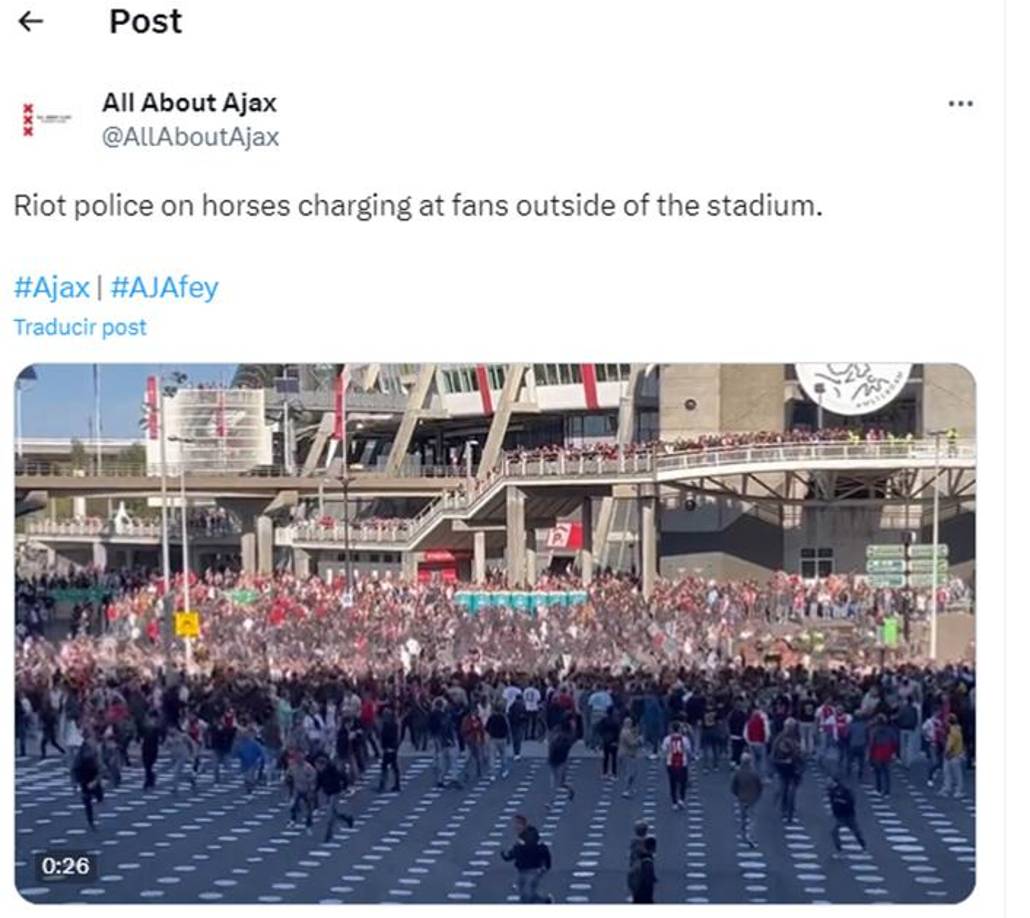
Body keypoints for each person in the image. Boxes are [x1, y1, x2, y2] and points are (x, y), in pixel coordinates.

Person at [500, 814, 552, 903]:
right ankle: (545, 901)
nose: (515, 827)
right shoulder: (528, 836)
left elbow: (518, 852)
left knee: (526, 894)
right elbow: (543, 850)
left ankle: (544, 901)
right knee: (529, 892)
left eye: (518, 824)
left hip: (529, 869)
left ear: (523, 825)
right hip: (530, 869)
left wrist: (506, 856)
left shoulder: (526, 838)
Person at [314, 754, 355, 841]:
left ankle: (329, 834)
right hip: (327, 793)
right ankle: (347, 818)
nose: (317, 768)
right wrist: (315, 791)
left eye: (318, 766)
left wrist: (344, 787)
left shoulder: (332, 770)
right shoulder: (320, 773)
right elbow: (319, 782)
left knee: (330, 814)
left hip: (335, 792)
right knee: (334, 812)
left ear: (323, 764)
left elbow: (342, 776)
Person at [771, 718, 803, 823]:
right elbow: (774, 753)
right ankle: (785, 809)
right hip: (783, 766)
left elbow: (800, 751)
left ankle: (789, 810)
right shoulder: (781, 738)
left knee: (790, 788)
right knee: (784, 787)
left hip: (792, 765)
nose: (791, 729)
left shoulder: (795, 737)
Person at [71, 736, 104, 830]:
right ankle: (91, 820)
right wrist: (75, 783)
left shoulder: (94, 755)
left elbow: (100, 769)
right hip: (84, 779)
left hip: (92, 777)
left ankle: (95, 810)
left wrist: (96, 781)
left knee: (98, 796)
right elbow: (74, 770)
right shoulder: (80, 757)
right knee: (87, 800)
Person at [730, 751, 763, 847]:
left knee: (743, 818)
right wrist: (757, 796)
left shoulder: (738, 773)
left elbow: (733, 787)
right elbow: (759, 786)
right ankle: (751, 836)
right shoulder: (754, 773)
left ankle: (743, 834)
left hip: (742, 798)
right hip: (753, 799)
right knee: (753, 819)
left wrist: (737, 794)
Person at [828, 777, 867, 856]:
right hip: (839, 816)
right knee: (834, 832)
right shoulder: (831, 792)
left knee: (856, 831)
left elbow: (851, 802)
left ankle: (863, 846)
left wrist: (841, 802)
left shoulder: (845, 790)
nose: (828, 783)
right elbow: (833, 803)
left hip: (848, 815)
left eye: (829, 781)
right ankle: (839, 850)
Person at [661, 722, 692, 810]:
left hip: (671, 762)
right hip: (683, 763)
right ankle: (681, 799)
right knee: (683, 782)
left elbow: (664, 750)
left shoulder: (667, 739)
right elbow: (688, 750)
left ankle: (674, 802)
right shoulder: (685, 739)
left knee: (672, 782)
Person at [868, 714, 898, 797]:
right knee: (887, 772)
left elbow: (872, 744)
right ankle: (887, 791)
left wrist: (870, 756)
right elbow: (895, 741)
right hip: (887, 751)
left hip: (878, 751)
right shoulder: (890, 730)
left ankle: (878, 789)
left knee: (878, 772)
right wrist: (894, 752)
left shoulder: (874, 730)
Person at [287, 750, 317, 831]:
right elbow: (289, 774)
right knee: (293, 805)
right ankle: (293, 820)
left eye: (300, 757)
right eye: (297, 758)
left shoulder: (308, 767)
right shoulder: (293, 766)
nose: (298, 759)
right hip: (297, 789)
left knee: (308, 806)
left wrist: (310, 784)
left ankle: (309, 822)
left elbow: (313, 776)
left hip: (306, 788)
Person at [547, 717, 576, 801]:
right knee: (557, 783)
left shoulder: (560, 736)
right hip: (561, 760)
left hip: (558, 760)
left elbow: (551, 746)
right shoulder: (568, 737)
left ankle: (550, 801)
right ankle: (569, 788)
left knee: (556, 783)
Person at [940, 713, 965, 798]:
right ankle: (957, 790)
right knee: (956, 774)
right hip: (957, 754)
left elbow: (950, 744)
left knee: (949, 773)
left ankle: (949, 789)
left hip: (952, 755)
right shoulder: (957, 730)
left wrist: (946, 752)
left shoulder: (952, 732)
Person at [460, 706, 487, 783]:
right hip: (469, 740)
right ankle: (466, 773)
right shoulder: (466, 719)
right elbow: (463, 730)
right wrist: (472, 728)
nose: (477, 713)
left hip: (477, 740)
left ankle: (479, 772)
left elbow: (481, 729)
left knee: (479, 757)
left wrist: (482, 739)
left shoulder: (478, 719)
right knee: (468, 758)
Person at [378, 706, 402, 793]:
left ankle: (383, 784)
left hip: (389, 748)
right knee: (394, 766)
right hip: (393, 748)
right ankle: (397, 784)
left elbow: (386, 737)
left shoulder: (388, 725)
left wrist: (385, 746)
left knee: (385, 767)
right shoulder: (394, 724)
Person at [486, 703, 511, 780]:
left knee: (492, 756)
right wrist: (508, 737)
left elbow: (486, 727)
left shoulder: (491, 717)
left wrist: (490, 733)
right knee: (503, 755)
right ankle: (504, 771)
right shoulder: (503, 717)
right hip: (502, 738)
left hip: (493, 738)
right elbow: (507, 728)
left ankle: (492, 774)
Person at [628, 835, 657, 903]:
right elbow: (648, 881)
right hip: (644, 896)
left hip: (638, 894)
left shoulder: (639, 859)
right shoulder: (647, 862)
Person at [618, 717, 643, 798]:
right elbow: (631, 743)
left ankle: (629, 788)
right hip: (627, 754)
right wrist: (639, 741)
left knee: (632, 772)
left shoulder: (625, 732)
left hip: (627, 754)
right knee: (630, 773)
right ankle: (626, 790)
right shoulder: (626, 732)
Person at [599, 707, 621, 779]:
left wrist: (602, 737)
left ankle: (604, 772)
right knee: (614, 758)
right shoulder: (616, 721)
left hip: (606, 740)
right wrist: (617, 741)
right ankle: (614, 773)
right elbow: (618, 731)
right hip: (613, 740)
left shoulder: (604, 720)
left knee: (606, 757)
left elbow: (600, 729)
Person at [140, 713, 160, 791]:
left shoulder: (156, 729)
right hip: (145, 748)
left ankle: (149, 781)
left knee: (149, 766)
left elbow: (158, 739)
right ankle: (150, 779)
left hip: (153, 749)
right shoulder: (145, 727)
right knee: (146, 766)